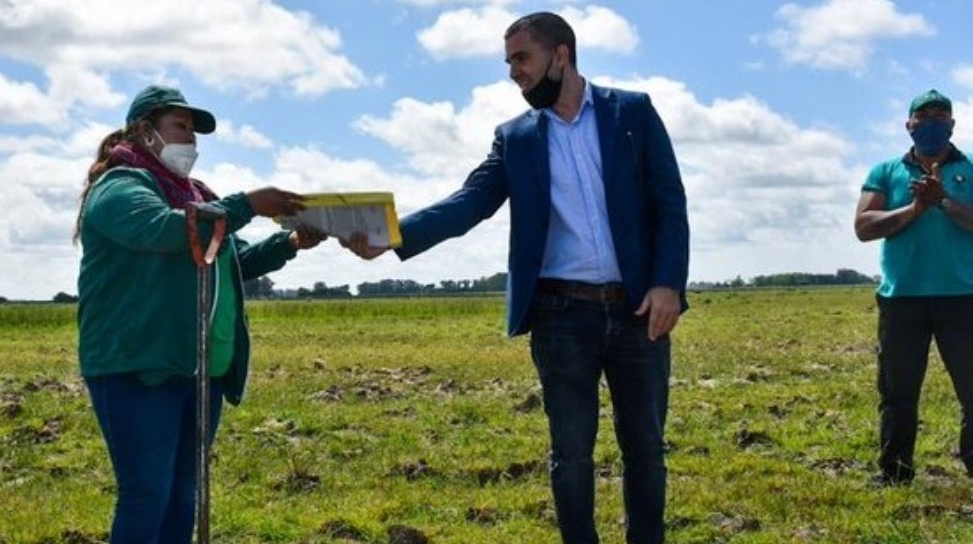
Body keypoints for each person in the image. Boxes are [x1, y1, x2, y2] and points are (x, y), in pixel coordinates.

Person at [344, 11, 688, 544]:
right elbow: (469, 202)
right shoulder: (516, 138)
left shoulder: (633, 113)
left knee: (645, 448)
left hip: (638, 309)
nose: (513, 72)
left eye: (521, 58)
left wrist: (668, 284)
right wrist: (393, 236)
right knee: (570, 454)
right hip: (560, 315)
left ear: (562, 54)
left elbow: (669, 203)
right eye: (509, 62)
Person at [75, 84, 326, 543]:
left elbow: (229, 257)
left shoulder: (194, 194)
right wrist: (248, 204)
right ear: (143, 130)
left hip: (199, 366)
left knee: (184, 491)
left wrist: (289, 243)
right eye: (180, 127)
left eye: (194, 132)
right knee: (146, 494)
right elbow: (163, 230)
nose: (190, 140)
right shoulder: (120, 186)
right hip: (137, 362)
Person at [855, 89, 973, 487]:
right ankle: (894, 473)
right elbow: (864, 227)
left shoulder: (970, 167)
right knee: (898, 393)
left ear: (953, 124)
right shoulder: (885, 171)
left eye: (941, 114)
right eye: (923, 115)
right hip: (901, 299)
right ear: (908, 125)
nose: (932, 121)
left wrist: (943, 203)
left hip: (963, 298)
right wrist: (914, 209)